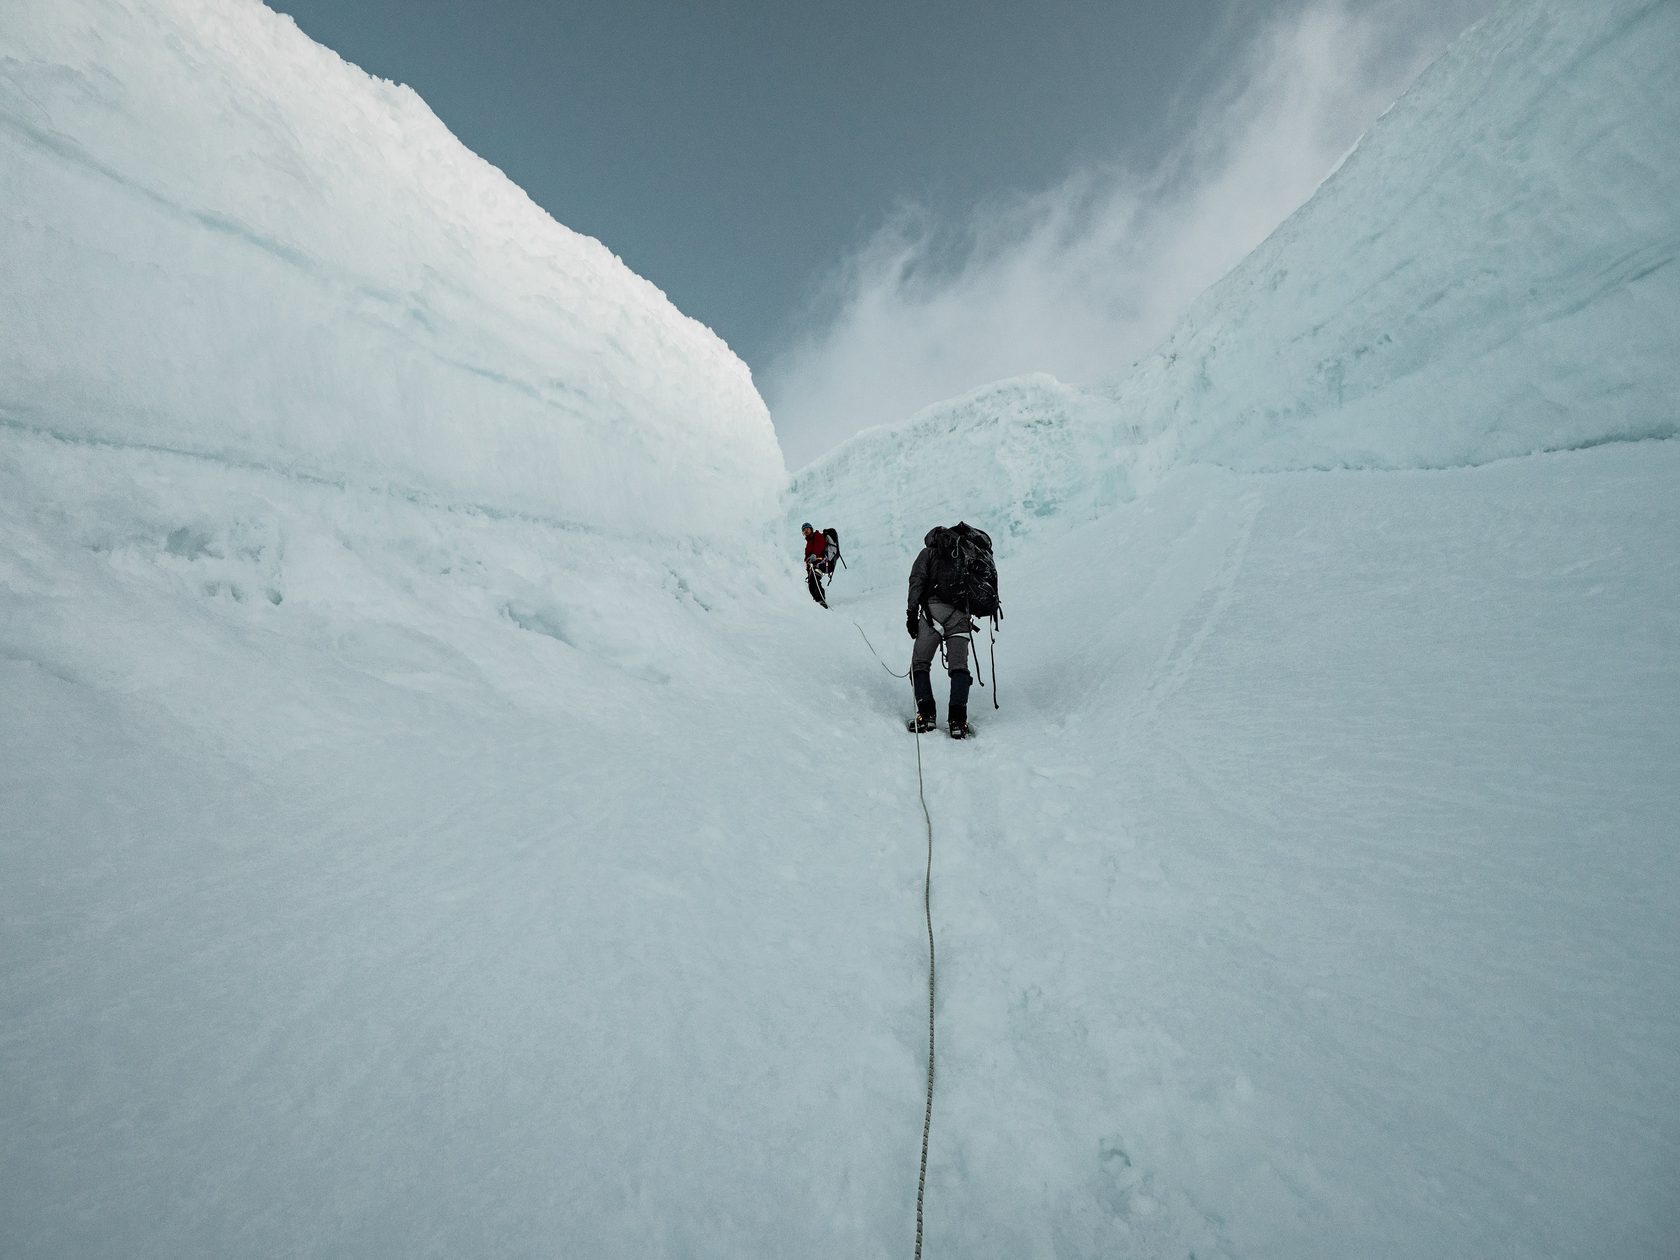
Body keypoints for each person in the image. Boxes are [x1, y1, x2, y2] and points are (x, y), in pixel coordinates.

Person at [905, 526, 976, 738]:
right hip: (961, 616)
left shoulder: (928, 553)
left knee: (920, 663)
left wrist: (911, 613)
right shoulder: (965, 552)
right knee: (959, 667)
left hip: (932, 612)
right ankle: (958, 721)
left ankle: (926, 717)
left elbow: (916, 582)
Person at [801, 522, 834, 607]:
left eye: (807, 529)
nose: (806, 531)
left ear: (811, 529)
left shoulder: (817, 536)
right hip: (813, 565)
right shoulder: (808, 543)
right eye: (804, 530)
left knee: (814, 579)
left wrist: (815, 554)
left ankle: (821, 600)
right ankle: (817, 602)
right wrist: (807, 563)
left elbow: (820, 546)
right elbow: (807, 556)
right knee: (811, 583)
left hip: (821, 562)